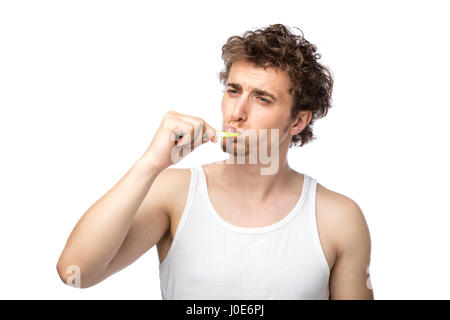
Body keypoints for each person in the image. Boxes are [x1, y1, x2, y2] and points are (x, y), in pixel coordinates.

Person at [57, 24, 373, 300]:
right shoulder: (175, 194)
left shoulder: (338, 219)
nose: (237, 111)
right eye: (233, 90)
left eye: (262, 98)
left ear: (298, 122)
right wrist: (151, 163)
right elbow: (75, 273)